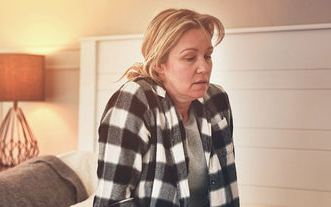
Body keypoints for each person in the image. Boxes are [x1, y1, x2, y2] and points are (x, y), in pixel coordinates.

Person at [94, 8, 239, 207]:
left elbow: (226, 189)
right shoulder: (135, 101)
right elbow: (113, 200)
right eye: (190, 58)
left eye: (207, 56)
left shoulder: (217, 100)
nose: (204, 67)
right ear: (159, 65)